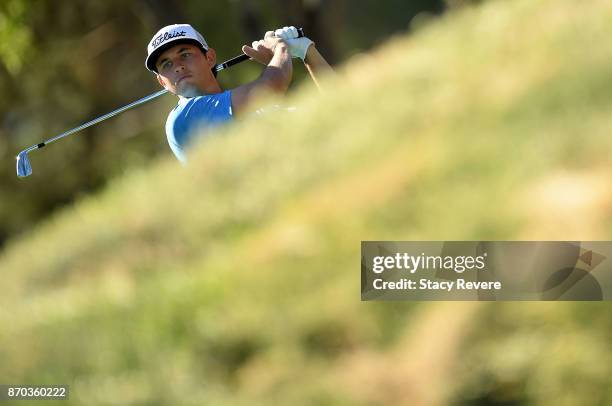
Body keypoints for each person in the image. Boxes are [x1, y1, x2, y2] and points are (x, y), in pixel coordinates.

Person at [145, 24, 332, 163]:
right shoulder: (183, 118)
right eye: (166, 64)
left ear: (209, 58)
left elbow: (334, 111)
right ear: (162, 82)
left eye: (184, 54)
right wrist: (281, 49)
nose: (178, 67)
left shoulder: (260, 112)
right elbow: (272, 86)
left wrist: (306, 51)